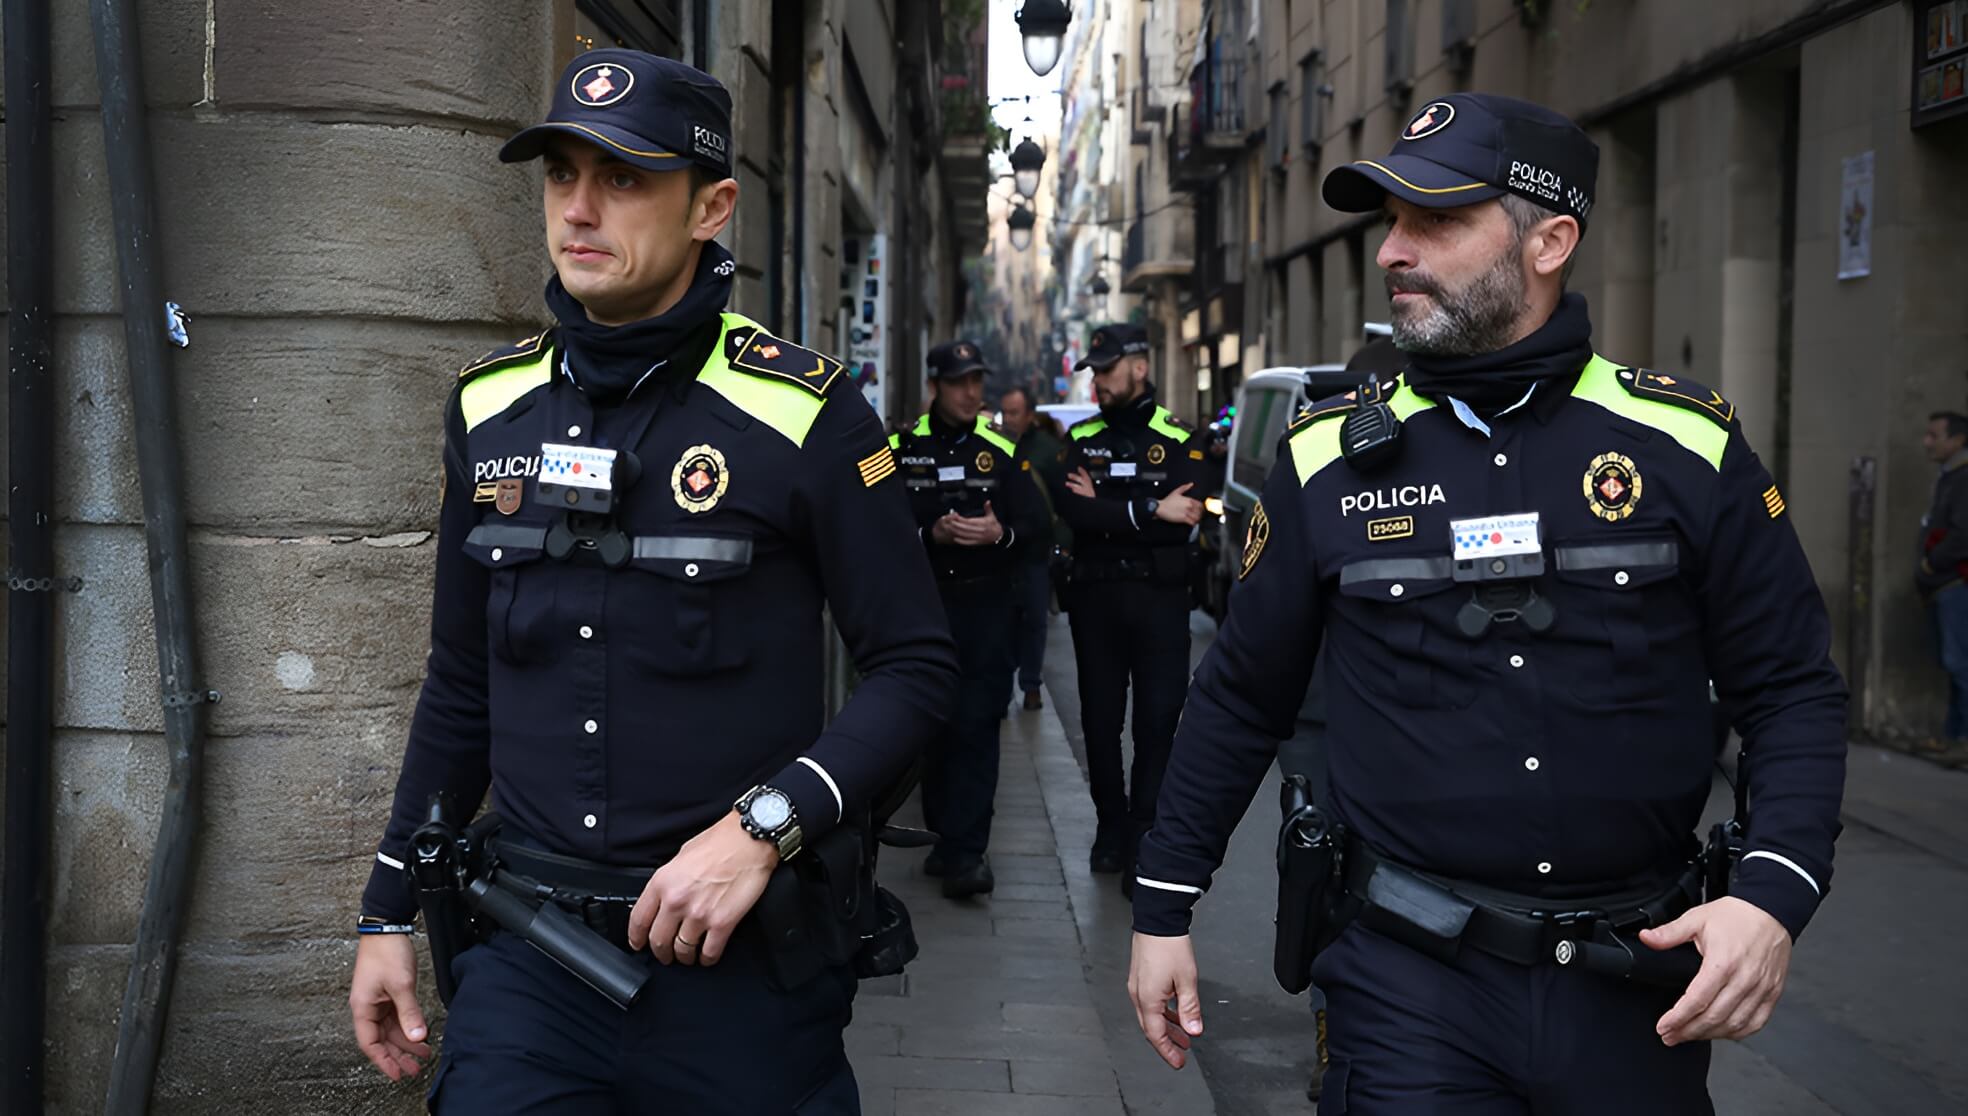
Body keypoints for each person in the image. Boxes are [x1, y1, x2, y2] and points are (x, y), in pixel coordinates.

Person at [1127, 92, 1847, 1114]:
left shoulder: (1689, 447)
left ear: (1551, 241)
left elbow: (1791, 692)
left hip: (1637, 984)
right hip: (1407, 983)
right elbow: (1242, 697)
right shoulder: (1327, 461)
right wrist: (1164, 906)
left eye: (1437, 221)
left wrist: (1772, 898)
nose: (1392, 251)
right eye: (1390, 222)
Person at [346, 49, 957, 1114]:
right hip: (527, 967)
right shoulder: (489, 411)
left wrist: (764, 828)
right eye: (561, 175)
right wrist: (386, 912)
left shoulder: (807, 416)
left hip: (742, 978)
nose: (580, 209)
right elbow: (459, 682)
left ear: (711, 205)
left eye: (624, 178)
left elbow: (914, 668)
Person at [1054, 324, 1211, 893]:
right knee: (1098, 721)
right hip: (1095, 600)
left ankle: (1144, 833)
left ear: (1139, 369)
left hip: (1160, 602)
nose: (1097, 380)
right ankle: (1109, 827)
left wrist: (1113, 512)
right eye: (1093, 370)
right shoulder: (1081, 438)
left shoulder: (1181, 439)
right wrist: (1148, 510)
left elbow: (1186, 519)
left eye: (1106, 369)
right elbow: (1074, 511)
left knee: (1156, 722)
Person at [890, 343, 1044, 897]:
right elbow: (871, 528)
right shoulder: (899, 450)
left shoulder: (1001, 449)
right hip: (924, 607)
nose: (972, 393)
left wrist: (997, 535)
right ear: (936, 384)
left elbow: (1036, 528)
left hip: (985, 609)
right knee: (933, 726)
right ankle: (943, 839)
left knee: (978, 726)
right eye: (960, 382)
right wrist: (927, 536)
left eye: (977, 381)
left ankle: (967, 852)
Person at [1000, 384, 1068, 711]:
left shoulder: (1048, 450)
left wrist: (1063, 545)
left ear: (1029, 415)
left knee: (1034, 620)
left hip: (1036, 551)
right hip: (1001, 551)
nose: (1008, 419)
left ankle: (1030, 685)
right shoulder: (995, 445)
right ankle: (1001, 684)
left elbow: (1065, 500)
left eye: (1015, 413)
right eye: (1005, 413)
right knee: (1003, 619)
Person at [1917, 410, 1968, 765]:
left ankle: (1962, 738)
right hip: (1943, 585)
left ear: (1958, 439)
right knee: (1952, 663)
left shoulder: (1963, 479)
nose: (1927, 442)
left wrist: (1933, 562)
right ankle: (1953, 736)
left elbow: (1963, 533)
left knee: (1959, 662)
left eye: (1935, 435)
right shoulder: (1949, 477)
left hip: (1954, 583)